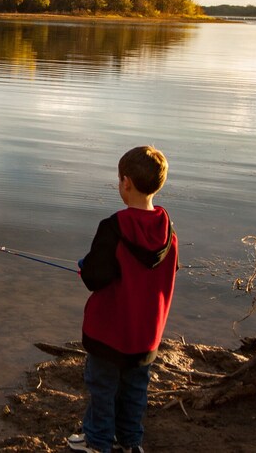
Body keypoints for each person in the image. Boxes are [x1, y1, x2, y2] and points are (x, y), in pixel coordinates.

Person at [67, 146, 179, 453]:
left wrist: (84, 265)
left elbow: (94, 278)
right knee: (134, 389)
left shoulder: (114, 227)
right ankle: (131, 443)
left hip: (109, 331)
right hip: (145, 334)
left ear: (125, 183)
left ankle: (98, 442)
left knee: (102, 388)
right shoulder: (168, 232)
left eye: (119, 180)